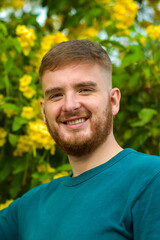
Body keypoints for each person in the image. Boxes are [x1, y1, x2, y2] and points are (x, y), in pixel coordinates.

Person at [0, 40, 160, 240]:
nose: (69, 105)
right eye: (56, 95)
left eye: (85, 89)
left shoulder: (151, 179)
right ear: (43, 111)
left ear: (113, 101)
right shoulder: (27, 209)